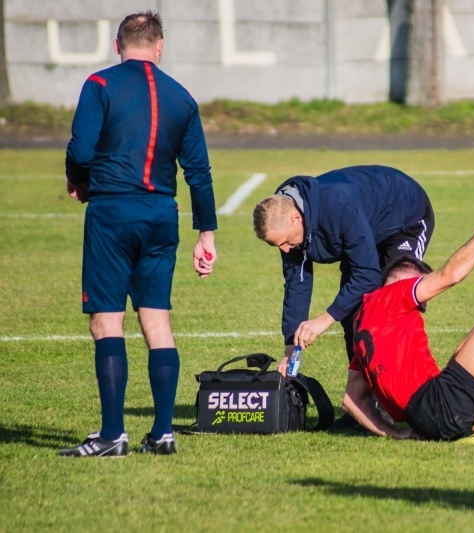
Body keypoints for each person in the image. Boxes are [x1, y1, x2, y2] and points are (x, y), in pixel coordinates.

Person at [58, 11, 218, 457]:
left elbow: (81, 149)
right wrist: (206, 232)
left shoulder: (100, 85)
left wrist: (78, 179)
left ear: (117, 45)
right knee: (157, 319)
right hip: (161, 215)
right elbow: (199, 172)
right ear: (159, 47)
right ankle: (163, 432)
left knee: (106, 321)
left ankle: (113, 435)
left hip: (112, 212)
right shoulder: (182, 97)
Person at [343, 191, 474, 442]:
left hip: (423, 418)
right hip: (438, 406)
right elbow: (451, 274)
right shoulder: (393, 295)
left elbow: (351, 399)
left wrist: (396, 433)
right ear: (407, 283)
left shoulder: (364, 320)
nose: (422, 307)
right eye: (421, 302)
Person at [252, 165, 434, 393]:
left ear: (296, 217)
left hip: (405, 220)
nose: (286, 250)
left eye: (286, 242)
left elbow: (367, 275)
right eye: (277, 246)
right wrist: (290, 349)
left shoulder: (338, 206)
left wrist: (325, 319)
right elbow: (296, 283)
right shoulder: (284, 219)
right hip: (364, 226)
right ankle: (363, 400)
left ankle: (403, 393)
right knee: (352, 314)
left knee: (389, 308)